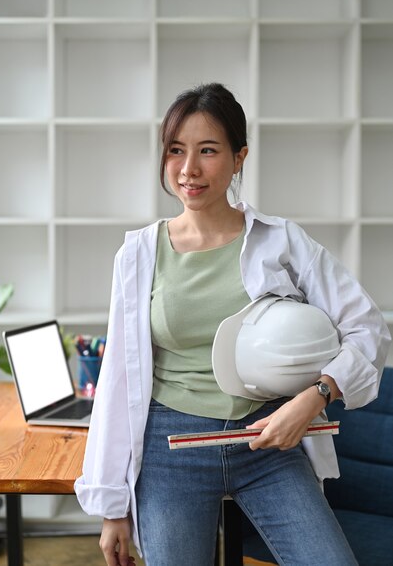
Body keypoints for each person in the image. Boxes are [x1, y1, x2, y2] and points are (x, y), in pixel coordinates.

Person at [75, 83, 391, 566]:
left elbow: (369, 328)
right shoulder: (139, 253)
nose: (189, 170)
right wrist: (111, 508)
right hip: (170, 450)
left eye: (208, 151)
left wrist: (315, 397)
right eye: (176, 151)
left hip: (268, 441)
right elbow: (117, 382)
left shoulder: (281, 240)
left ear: (239, 157)